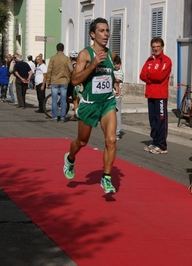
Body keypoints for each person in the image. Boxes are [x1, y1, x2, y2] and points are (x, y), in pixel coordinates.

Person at [63, 17, 120, 194]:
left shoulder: (110, 54)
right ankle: (70, 158)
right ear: (92, 34)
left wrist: (115, 82)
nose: (106, 34)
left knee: (111, 140)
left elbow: (108, 74)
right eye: (102, 31)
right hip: (89, 104)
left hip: (107, 102)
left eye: (107, 30)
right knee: (82, 141)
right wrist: (93, 65)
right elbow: (75, 80)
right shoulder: (85, 54)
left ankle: (106, 177)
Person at [139, 37, 172, 154]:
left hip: (160, 95)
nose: (156, 49)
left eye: (158, 46)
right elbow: (142, 75)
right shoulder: (149, 59)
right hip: (150, 93)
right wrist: (151, 75)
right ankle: (154, 141)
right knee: (152, 120)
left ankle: (162, 145)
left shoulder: (166, 60)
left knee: (161, 120)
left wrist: (150, 74)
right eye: (154, 47)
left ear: (162, 47)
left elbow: (160, 76)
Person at [46, 43, 73, 122]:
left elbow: (49, 70)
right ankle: (62, 117)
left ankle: (54, 116)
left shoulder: (53, 58)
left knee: (54, 100)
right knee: (63, 100)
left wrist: (48, 81)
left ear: (56, 49)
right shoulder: (67, 59)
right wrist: (68, 77)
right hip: (64, 81)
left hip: (54, 81)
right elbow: (71, 69)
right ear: (63, 49)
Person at [67, 51, 80, 121]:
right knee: (74, 99)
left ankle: (76, 114)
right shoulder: (77, 65)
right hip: (76, 84)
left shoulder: (73, 65)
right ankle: (77, 105)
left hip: (73, 84)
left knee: (74, 100)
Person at [113, 55, 124, 140]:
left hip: (117, 96)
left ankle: (117, 132)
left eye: (118, 64)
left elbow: (116, 80)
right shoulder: (112, 71)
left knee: (117, 114)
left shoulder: (120, 72)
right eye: (115, 64)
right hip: (110, 96)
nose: (116, 66)